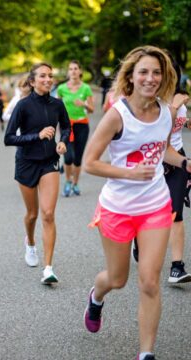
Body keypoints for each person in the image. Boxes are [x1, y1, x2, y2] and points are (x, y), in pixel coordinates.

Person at [83, 45, 190, 360]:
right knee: (117, 279)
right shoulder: (117, 115)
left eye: (156, 72)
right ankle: (96, 297)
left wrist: (185, 163)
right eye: (143, 71)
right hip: (117, 208)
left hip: (155, 206)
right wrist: (127, 173)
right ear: (130, 76)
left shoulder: (165, 112)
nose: (151, 78)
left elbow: (162, 150)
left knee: (149, 282)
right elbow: (90, 162)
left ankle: (146, 354)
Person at [4, 63, 70, 284]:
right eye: (43, 76)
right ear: (32, 82)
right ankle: (30, 243)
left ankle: (48, 268)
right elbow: (9, 138)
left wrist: (62, 143)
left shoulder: (58, 104)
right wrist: (37, 135)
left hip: (49, 162)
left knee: (48, 214)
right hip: (26, 163)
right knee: (32, 214)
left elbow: (67, 127)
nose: (48, 79)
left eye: (50, 75)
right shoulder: (23, 106)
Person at [161, 57, 191, 284]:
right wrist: (173, 106)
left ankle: (177, 268)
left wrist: (186, 119)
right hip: (154, 161)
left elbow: (176, 129)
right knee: (149, 212)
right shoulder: (152, 100)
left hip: (178, 156)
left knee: (176, 213)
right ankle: (138, 242)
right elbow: (161, 133)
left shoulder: (181, 99)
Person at [57, 60, 94, 196]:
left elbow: (92, 109)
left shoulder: (86, 88)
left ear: (80, 71)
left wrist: (83, 104)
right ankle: (67, 181)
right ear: (68, 72)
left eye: (75, 69)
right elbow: (57, 106)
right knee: (68, 157)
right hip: (66, 126)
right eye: (70, 69)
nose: (73, 71)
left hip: (82, 125)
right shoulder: (61, 88)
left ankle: (76, 184)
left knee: (77, 158)